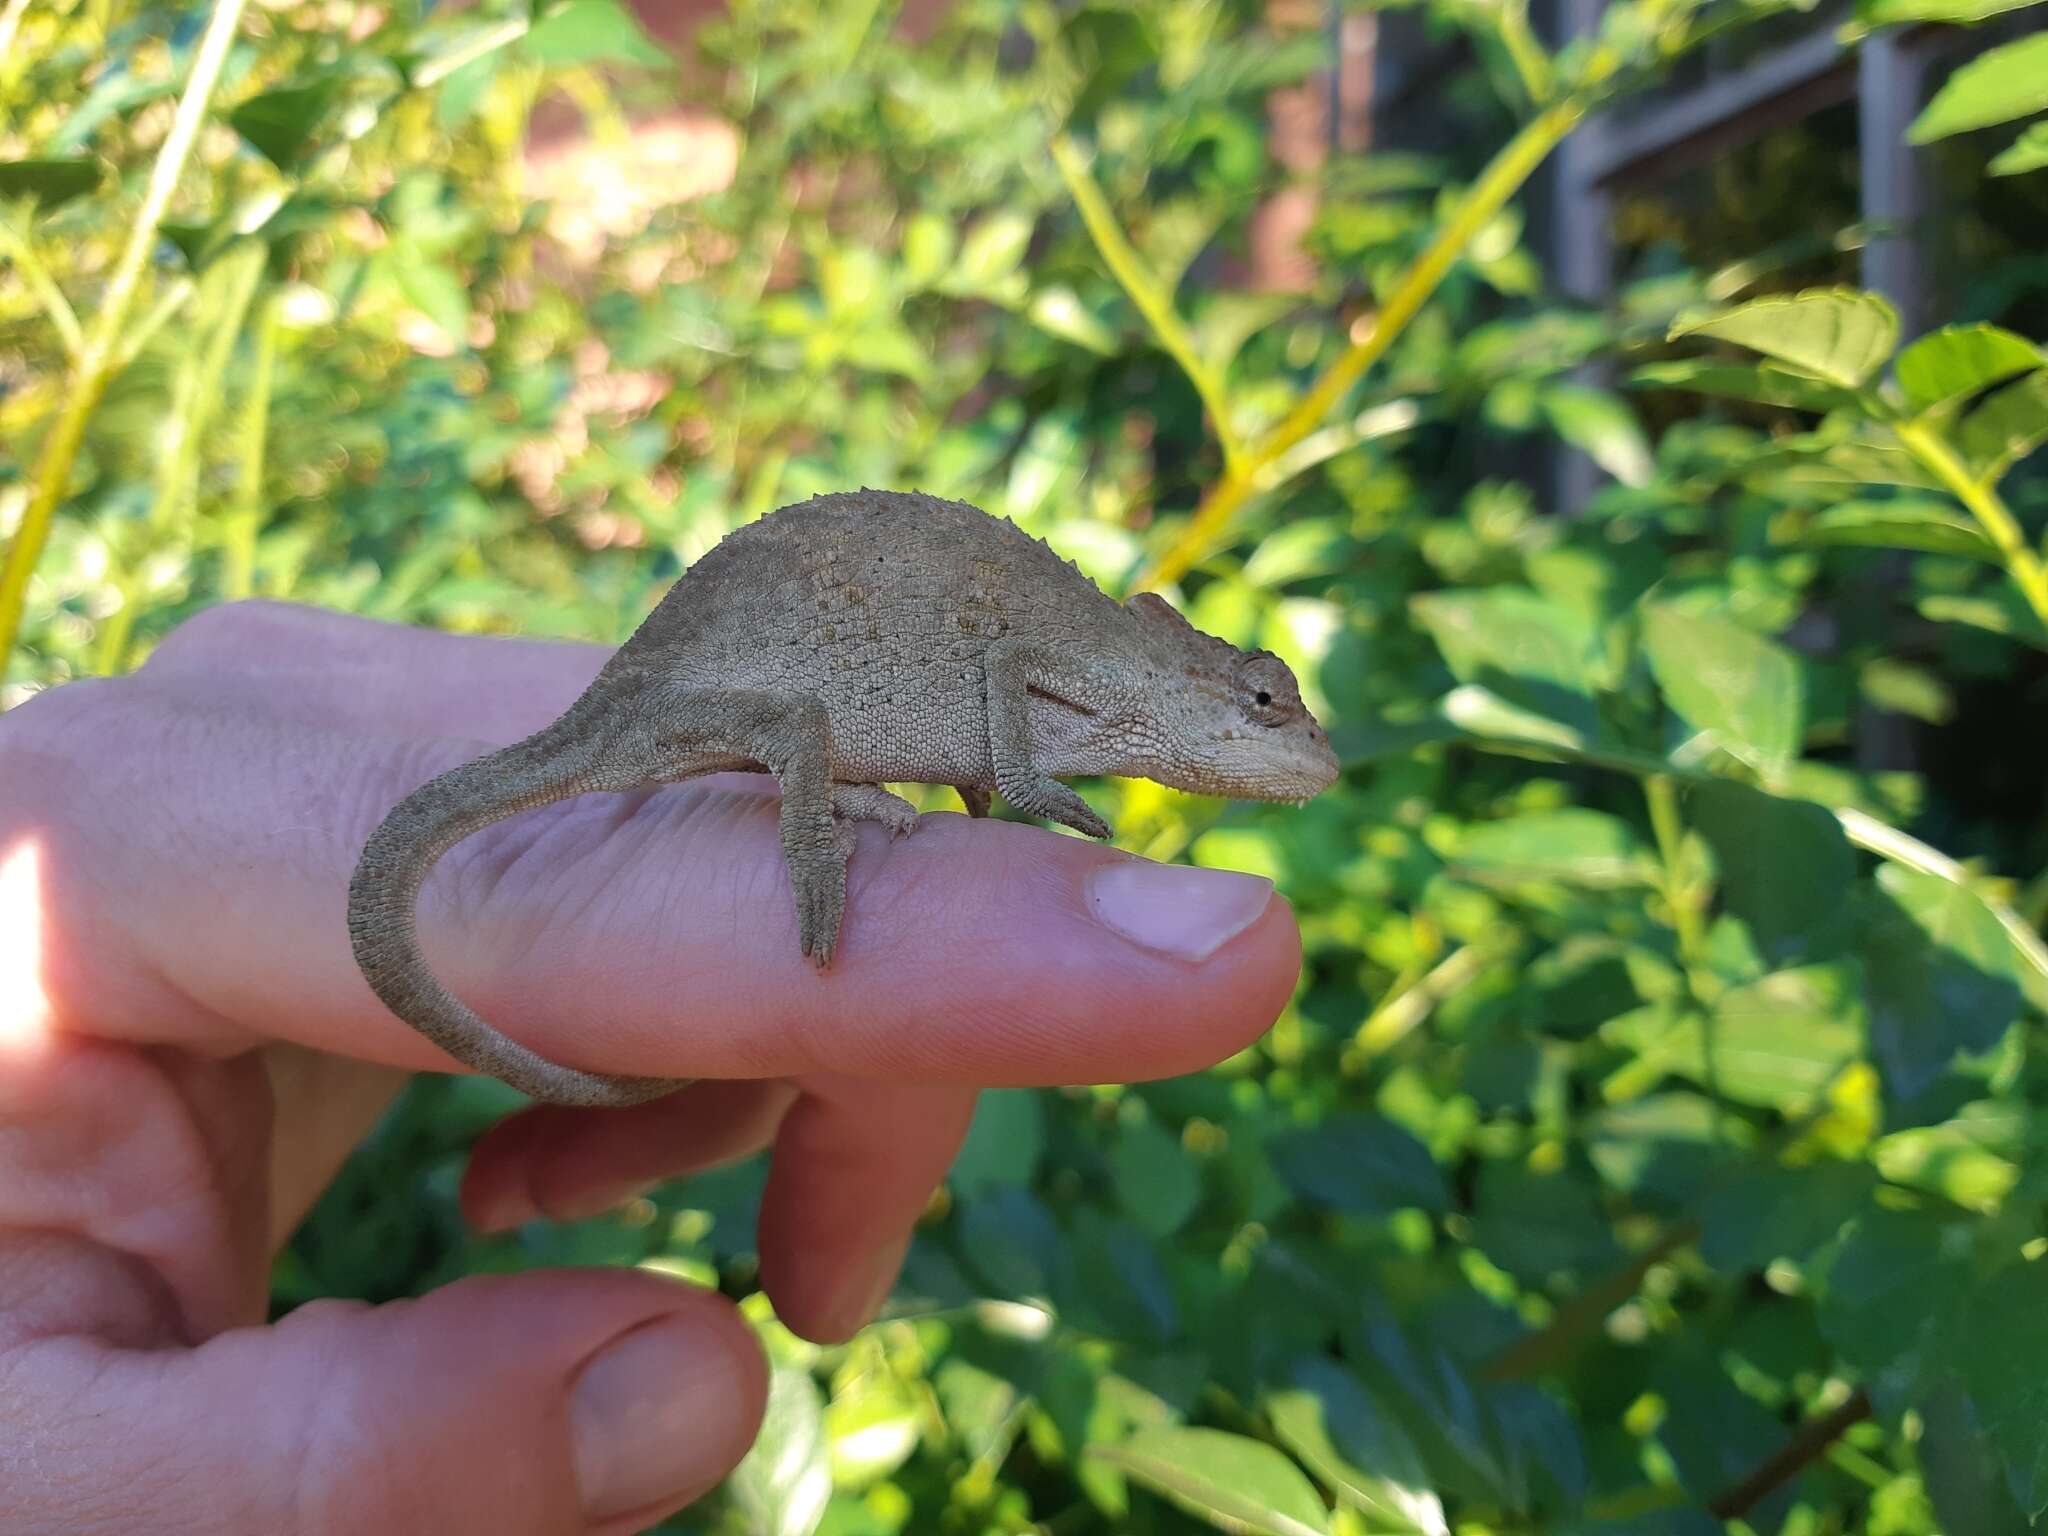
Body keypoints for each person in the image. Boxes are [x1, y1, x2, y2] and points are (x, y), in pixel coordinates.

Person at [0, 599, 1304, 1533]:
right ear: (1183, 664)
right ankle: (805, 850)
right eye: (1256, 703)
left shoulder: (1098, 658)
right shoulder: (1097, 654)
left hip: (750, 680)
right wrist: (952, 797)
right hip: (726, 694)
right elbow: (996, 661)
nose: (1275, 738)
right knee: (805, 781)